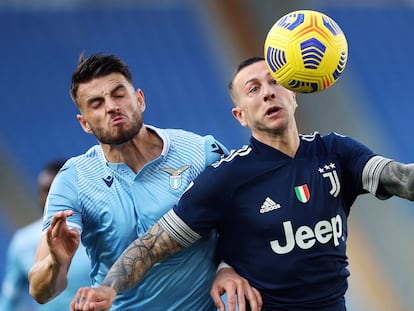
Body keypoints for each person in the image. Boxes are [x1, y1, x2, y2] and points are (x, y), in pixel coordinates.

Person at [69, 56, 414, 311]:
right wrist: (109, 289)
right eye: (253, 89)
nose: (267, 93)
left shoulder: (337, 152)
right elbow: (153, 244)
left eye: (275, 82)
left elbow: (401, 179)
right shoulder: (225, 177)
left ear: (294, 94)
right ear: (241, 115)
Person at [28, 53, 255, 310]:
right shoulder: (73, 180)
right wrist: (56, 264)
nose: (111, 106)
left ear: (139, 99)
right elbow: (42, 292)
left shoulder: (201, 152)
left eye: (118, 94)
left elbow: (247, 228)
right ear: (85, 124)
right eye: (96, 103)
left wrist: (227, 267)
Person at [0, 160, 91, 311]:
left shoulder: (98, 235)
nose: (51, 198)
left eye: (58, 191)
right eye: (46, 191)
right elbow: (10, 299)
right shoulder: (22, 242)